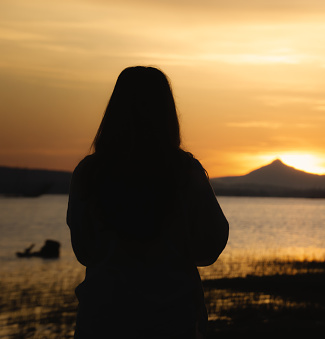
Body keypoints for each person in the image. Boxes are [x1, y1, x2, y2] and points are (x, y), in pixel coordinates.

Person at [67, 66, 229, 338]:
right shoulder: (185, 172)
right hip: (172, 319)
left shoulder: (89, 173)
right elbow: (210, 247)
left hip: (103, 318)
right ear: (167, 113)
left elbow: (84, 250)